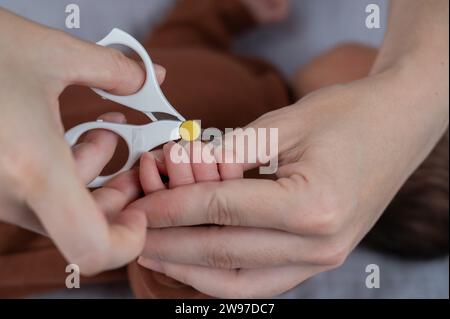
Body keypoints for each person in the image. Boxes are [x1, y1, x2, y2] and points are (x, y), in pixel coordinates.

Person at [0, 0, 447, 299]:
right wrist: (229, 8)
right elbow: (180, 42)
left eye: (376, 65)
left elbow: (175, 281)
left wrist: (180, 244)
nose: (383, 47)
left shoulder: (254, 207)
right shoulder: (254, 72)